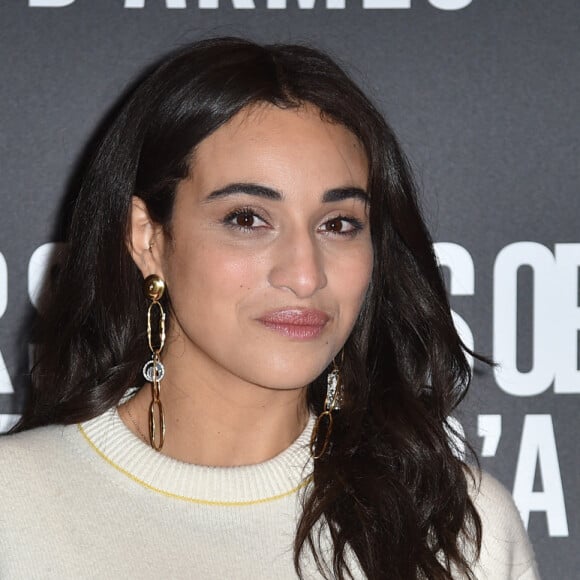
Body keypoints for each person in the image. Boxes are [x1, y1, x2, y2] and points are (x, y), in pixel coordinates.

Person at [0, 37, 539, 580]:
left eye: (339, 224)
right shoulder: (14, 505)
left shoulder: (461, 531)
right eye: (247, 219)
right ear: (148, 238)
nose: (305, 274)